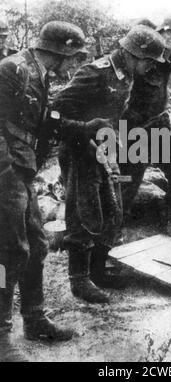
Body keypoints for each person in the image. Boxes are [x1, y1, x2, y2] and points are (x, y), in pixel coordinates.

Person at [0, 20, 106, 362]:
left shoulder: (38, 73)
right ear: (60, 51)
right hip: (6, 168)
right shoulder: (12, 69)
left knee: (37, 243)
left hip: (21, 166)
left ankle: (34, 319)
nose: (73, 64)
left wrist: (84, 128)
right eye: (72, 56)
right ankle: (1, 332)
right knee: (9, 250)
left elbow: (46, 120)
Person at [53, 25, 166, 304]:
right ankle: (79, 280)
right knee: (84, 212)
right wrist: (86, 131)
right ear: (131, 54)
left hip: (104, 151)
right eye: (149, 60)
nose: (151, 66)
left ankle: (97, 271)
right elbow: (55, 114)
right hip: (80, 151)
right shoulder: (95, 73)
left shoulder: (126, 75)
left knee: (112, 210)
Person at [120, 16, 171, 236]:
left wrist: (170, 124)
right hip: (135, 130)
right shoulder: (143, 58)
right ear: (160, 32)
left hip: (160, 125)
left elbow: (164, 95)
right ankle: (113, 233)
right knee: (127, 182)